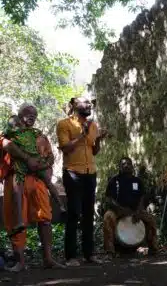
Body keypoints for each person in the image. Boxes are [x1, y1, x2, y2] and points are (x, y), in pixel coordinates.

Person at [1, 103, 65, 272]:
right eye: (28, 113)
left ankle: (48, 259)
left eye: (34, 115)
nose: (32, 116)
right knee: (16, 219)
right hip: (16, 179)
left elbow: (50, 157)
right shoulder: (9, 134)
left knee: (45, 218)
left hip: (38, 182)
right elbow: (7, 146)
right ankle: (20, 262)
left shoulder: (40, 136)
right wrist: (27, 159)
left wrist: (47, 170)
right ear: (19, 115)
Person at [56, 97, 107, 266]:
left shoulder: (93, 125)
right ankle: (71, 256)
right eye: (85, 103)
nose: (89, 105)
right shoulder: (64, 124)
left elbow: (94, 151)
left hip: (90, 172)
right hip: (73, 173)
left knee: (88, 214)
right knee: (74, 213)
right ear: (74, 105)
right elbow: (65, 148)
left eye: (90, 103)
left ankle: (89, 254)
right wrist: (82, 135)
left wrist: (98, 140)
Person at [103, 157, 158, 257]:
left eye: (128, 164)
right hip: (118, 210)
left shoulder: (137, 181)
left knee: (151, 219)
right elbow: (108, 199)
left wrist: (139, 211)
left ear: (132, 166)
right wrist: (120, 209)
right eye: (123, 164)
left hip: (135, 210)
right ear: (119, 167)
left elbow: (142, 197)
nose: (126, 165)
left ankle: (153, 249)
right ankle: (110, 251)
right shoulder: (114, 181)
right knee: (108, 217)